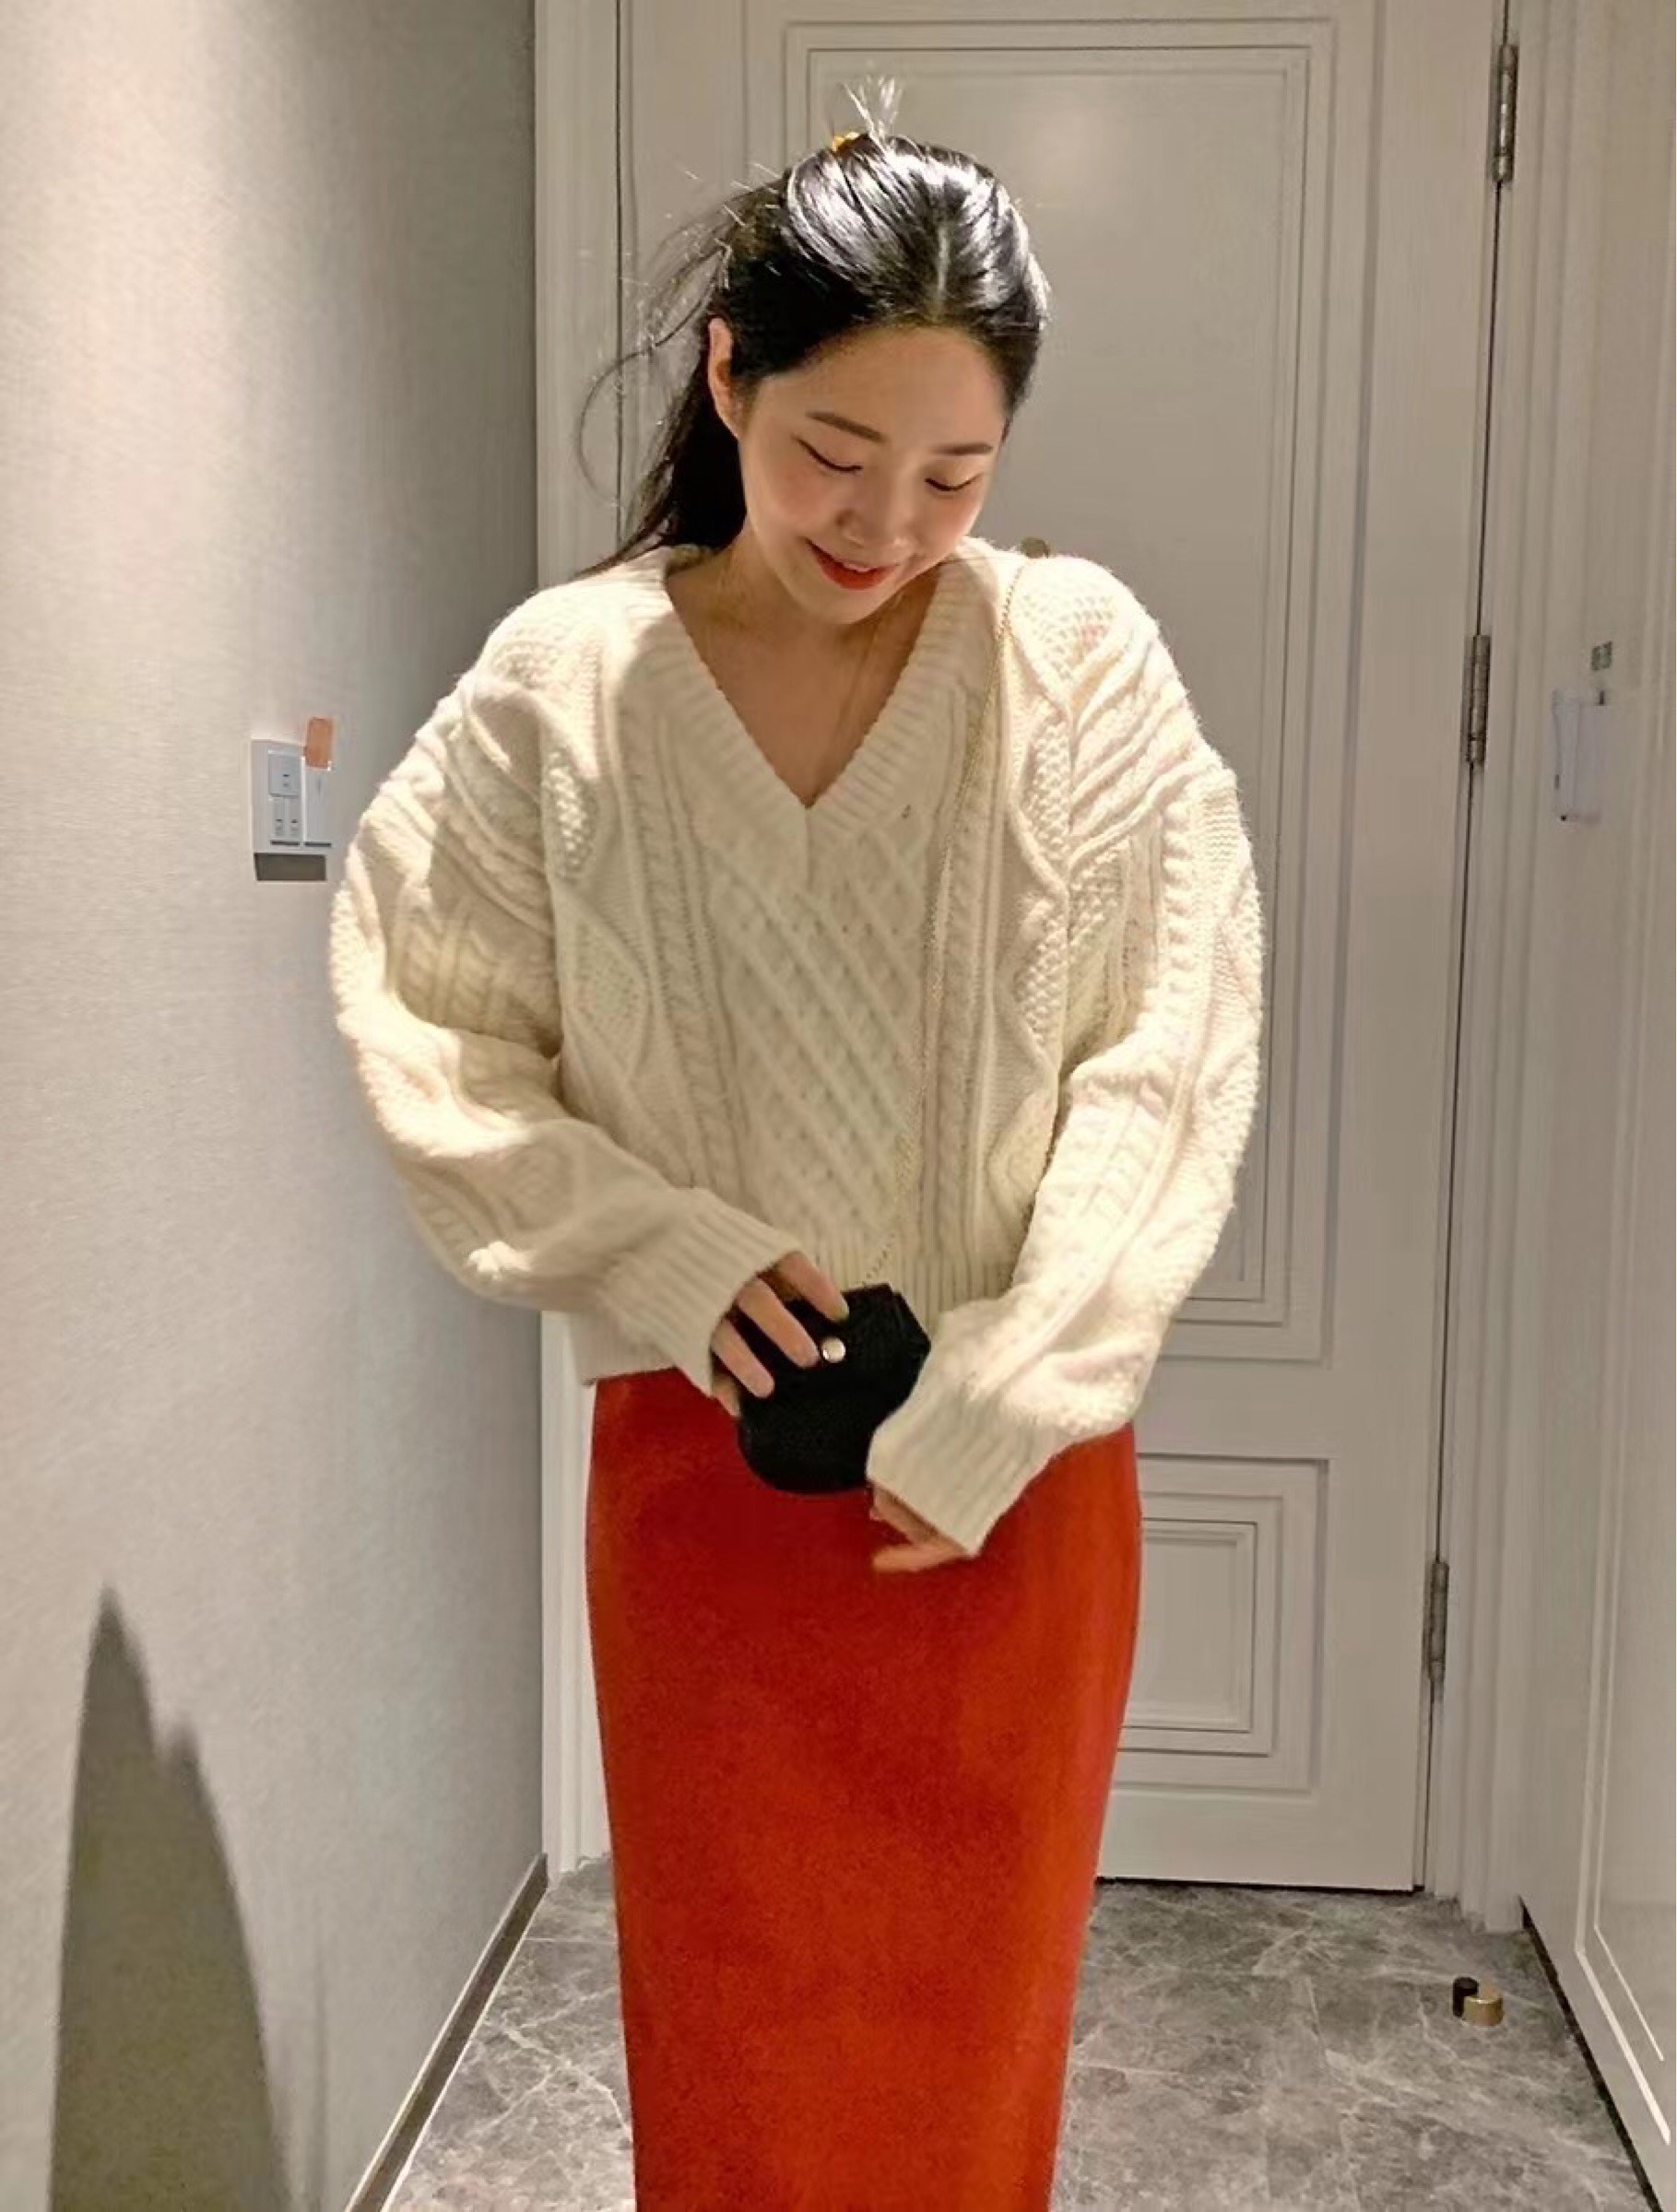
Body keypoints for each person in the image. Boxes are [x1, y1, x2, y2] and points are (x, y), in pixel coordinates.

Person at [331, 117, 1262, 2212]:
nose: (888, 522)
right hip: (710, 1482)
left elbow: (1171, 1048)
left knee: (974, 2062)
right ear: (729, 372)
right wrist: (656, 1245)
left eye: (955, 475)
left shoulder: (1076, 659)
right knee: (736, 2051)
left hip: (1010, 1491)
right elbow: (429, 1025)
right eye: (838, 452)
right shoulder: (566, 686)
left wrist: (1018, 1383)